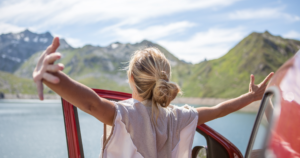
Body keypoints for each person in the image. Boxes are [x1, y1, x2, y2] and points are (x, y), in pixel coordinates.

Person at [33, 37, 273, 158]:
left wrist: (54, 77)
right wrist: (250, 97)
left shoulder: (125, 114)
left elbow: (91, 103)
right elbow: (219, 109)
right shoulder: (180, 116)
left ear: (131, 78)